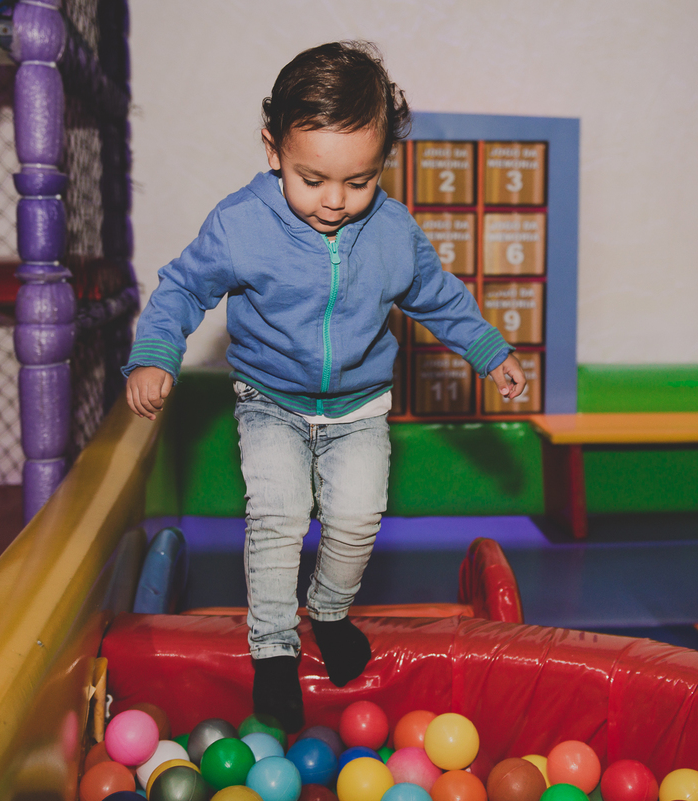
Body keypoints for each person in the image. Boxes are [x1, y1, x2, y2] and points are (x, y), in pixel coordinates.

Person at [123, 40, 526, 732]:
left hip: (359, 406)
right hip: (270, 400)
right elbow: (183, 287)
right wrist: (157, 353)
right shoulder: (243, 223)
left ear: (383, 163)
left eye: (358, 181)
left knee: (357, 517)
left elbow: (437, 295)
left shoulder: (391, 231)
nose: (335, 201)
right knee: (279, 515)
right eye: (312, 179)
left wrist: (488, 350)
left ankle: (331, 613)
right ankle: (274, 651)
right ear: (273, 149)